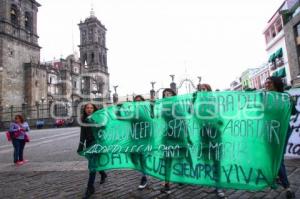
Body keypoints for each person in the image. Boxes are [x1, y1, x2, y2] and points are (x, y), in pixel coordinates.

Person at [264, 77, 295, 199]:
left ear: (276, 84)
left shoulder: (285, 97)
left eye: (269, 82)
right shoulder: (264, 97)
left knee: (278, 158)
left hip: (282, 131)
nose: (266, 84)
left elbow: (292, 113)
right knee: (271, 157)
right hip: (268, 131)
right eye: (266, 82)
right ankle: (276, 176)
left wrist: (292, 103)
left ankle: (287, 187)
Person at [196, 84, 226, 198]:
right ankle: (212, 181)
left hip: (215, 134)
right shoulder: (198, 104)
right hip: (204, 134)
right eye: (201, 89)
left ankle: (218, 186)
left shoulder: (215, 102)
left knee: (216, 160)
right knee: (206, 158)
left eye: (204, 89)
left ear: (209, 90)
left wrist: (217, 122)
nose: (202, 91)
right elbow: (193, 115)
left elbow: (221, 119)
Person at [77, 103, 107, 199]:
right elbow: (83, 134)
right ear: (85, 109)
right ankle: (103, 173)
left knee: (92, 166)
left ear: (94, 109)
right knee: (94, 163)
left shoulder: (98, 119)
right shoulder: (83, 120)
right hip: (89, 144)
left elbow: (104, 129)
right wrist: (81, 145)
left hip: (98, 143)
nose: (89, 109)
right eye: (87, 108)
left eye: (91, 108)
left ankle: (90, 188)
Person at [133, 95, 149, 190]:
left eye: (139, 101)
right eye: (136, 101)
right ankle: (145, 173)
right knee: (135, 157)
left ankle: (144, 178)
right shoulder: (132, 112)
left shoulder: (147, 111)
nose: (138, 102)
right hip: (134, 138)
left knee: (142, 157)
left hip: (145, 138)